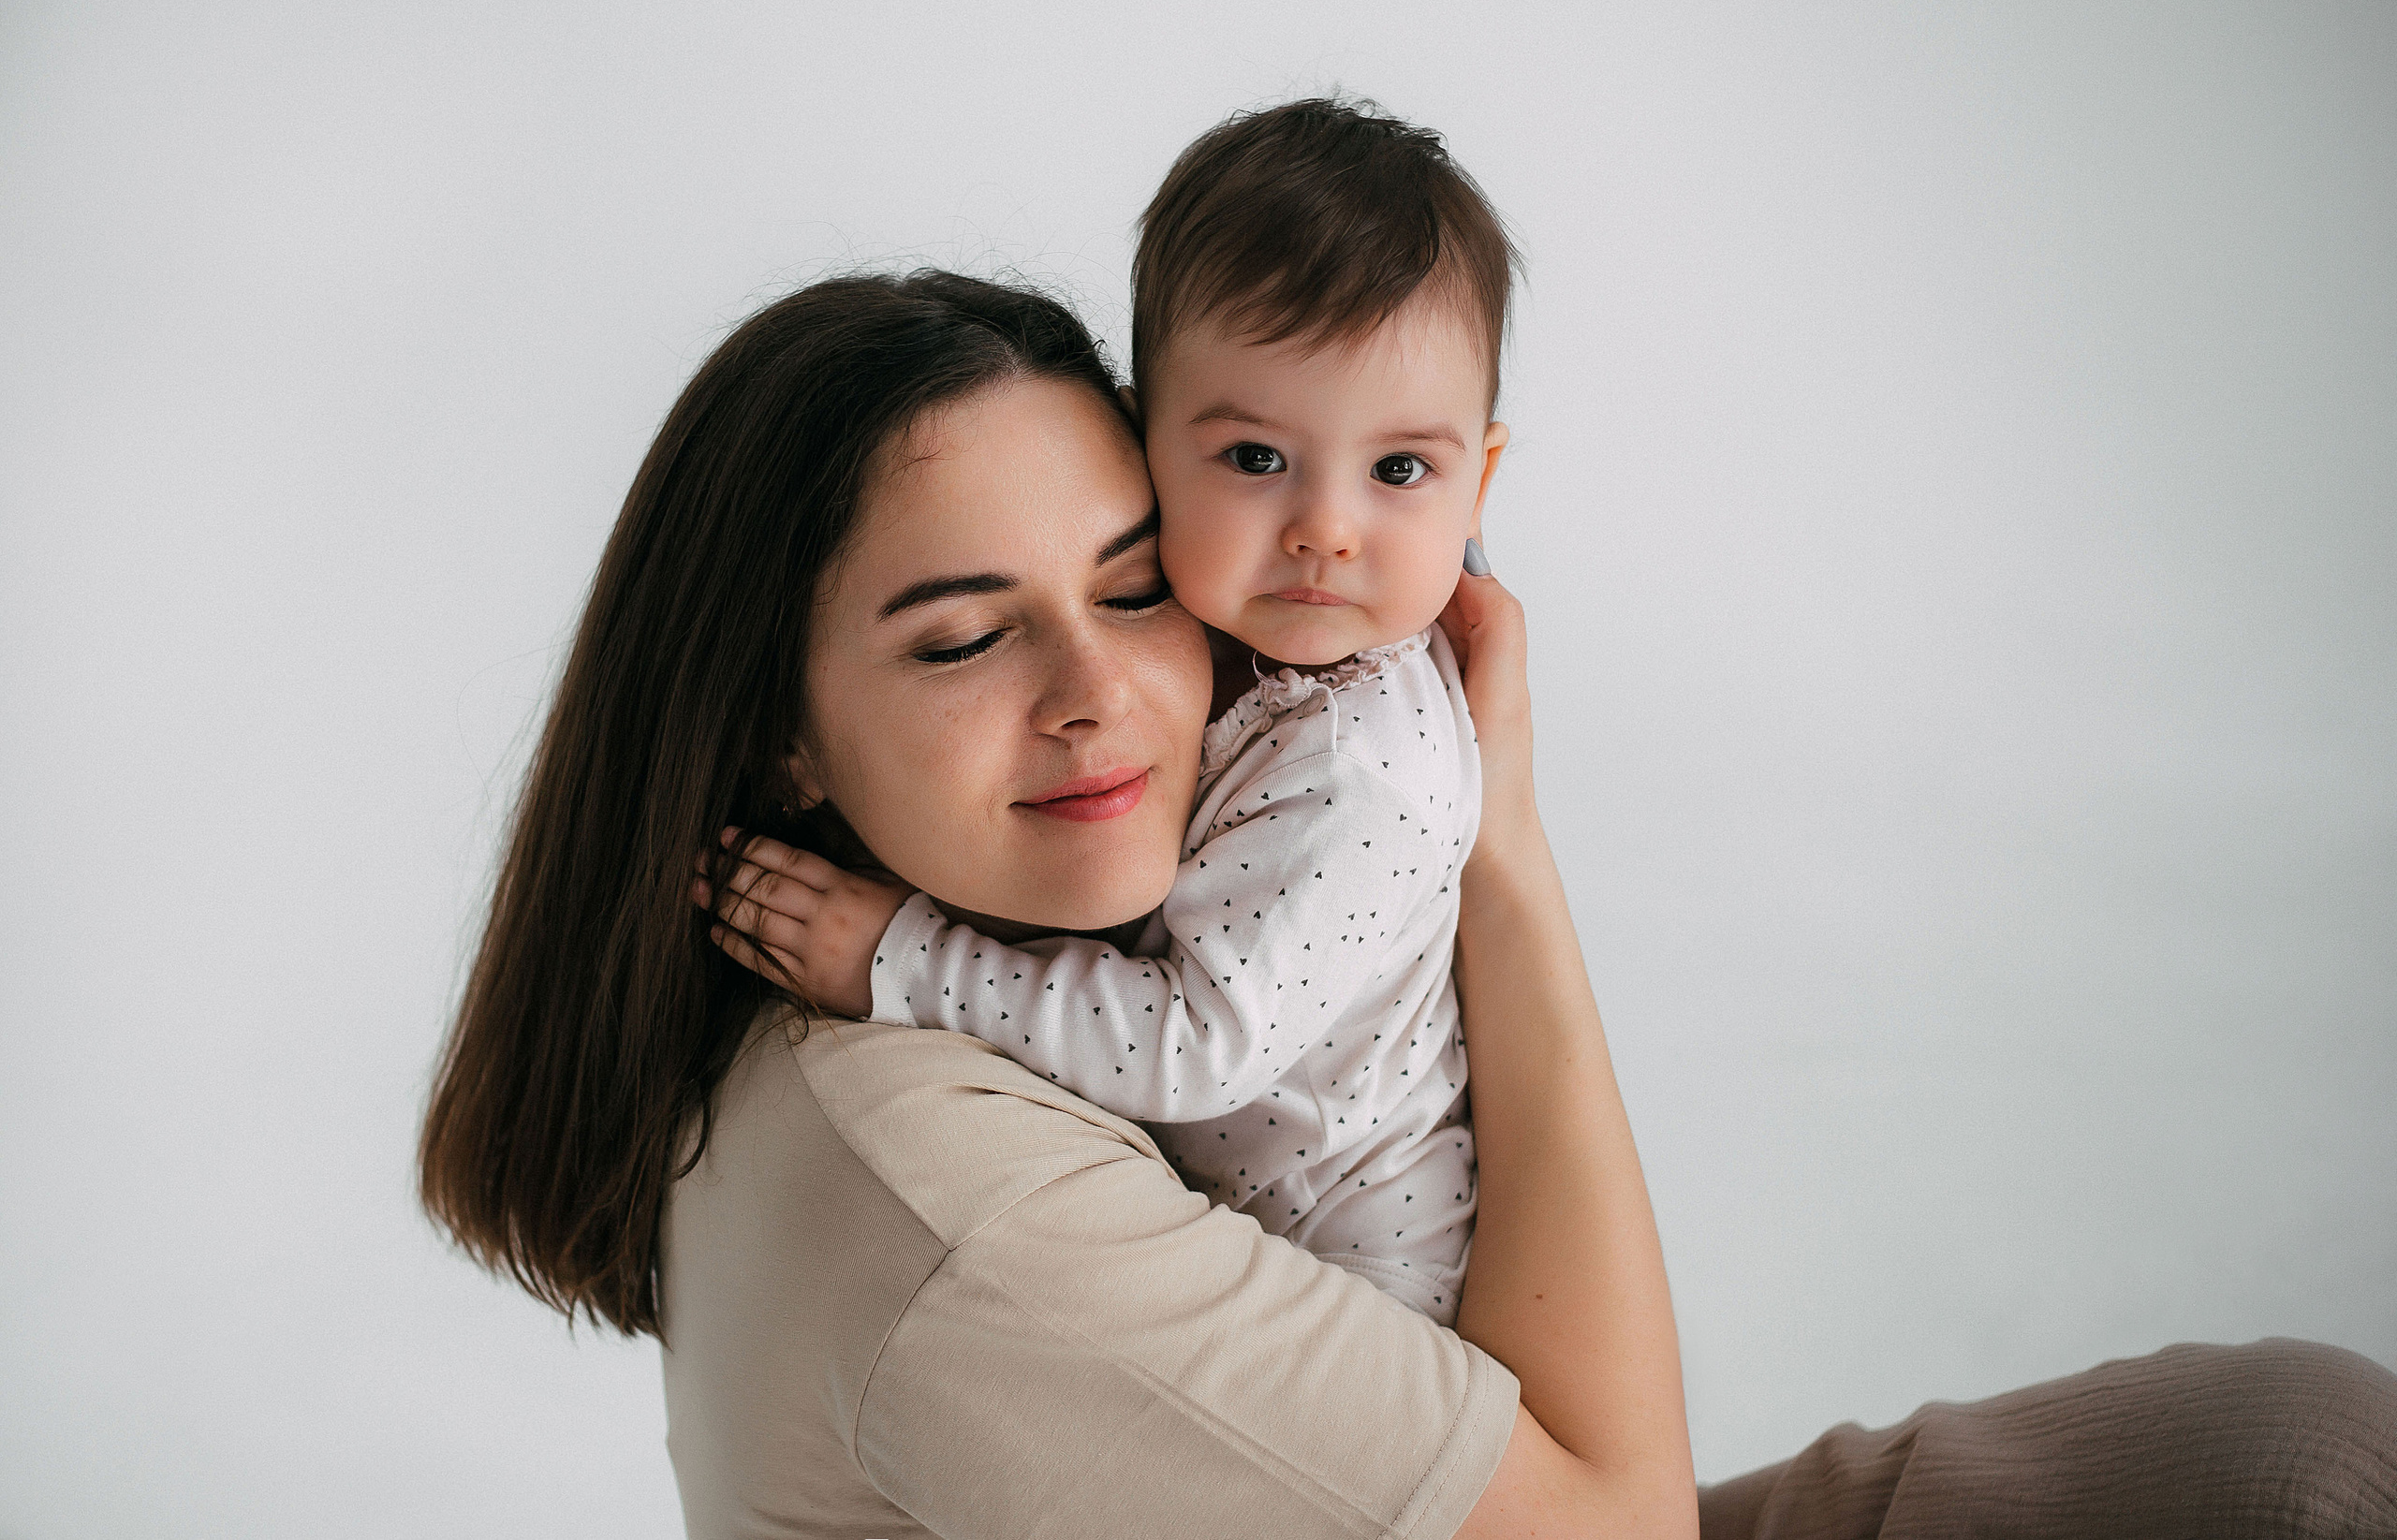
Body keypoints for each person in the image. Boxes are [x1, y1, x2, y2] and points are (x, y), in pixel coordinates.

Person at [419, 268, 2397, 1538]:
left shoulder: (974, 1003)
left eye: (1127, 585)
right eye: (959, 638)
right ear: (777, 738)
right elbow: (1608, 1535)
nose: (1095, 688)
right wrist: (1499, 852)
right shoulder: (946, 1186)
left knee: (2290, 1454)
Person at [696, 99, 1514, 1324]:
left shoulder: (1368, 768)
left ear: (1477, 482)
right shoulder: (1268, 662)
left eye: (1401, 471)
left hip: (1367, 1279)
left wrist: (901, 959)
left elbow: (1192, 1047)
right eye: (1252, 460)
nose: (1326, 530)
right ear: (1151, 438)